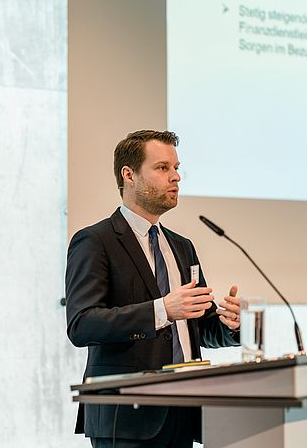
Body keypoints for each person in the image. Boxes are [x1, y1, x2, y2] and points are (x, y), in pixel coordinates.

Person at [65, 130, 242, 447]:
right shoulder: (95, 241)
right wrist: (163, 310)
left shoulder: (182, 247)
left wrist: (228, 325)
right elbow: (82, 324)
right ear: (129, 175)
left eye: (176, 168)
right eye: (162, 168)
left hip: (184, 413)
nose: (176, 177)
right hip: (126, 418)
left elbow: (198, 328)